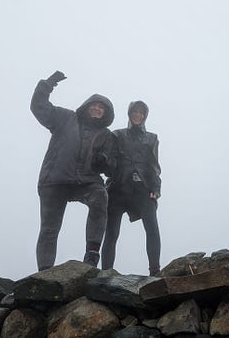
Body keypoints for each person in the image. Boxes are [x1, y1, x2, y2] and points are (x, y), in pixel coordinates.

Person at [31, 70, 116, 271]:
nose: (97, 108)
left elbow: (112, 166)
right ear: (86, 107)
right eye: (94, 105)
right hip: (55, 180)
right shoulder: (65, 118)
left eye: (101, 107)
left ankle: (91, 256)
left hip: (86, 182)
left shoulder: (106, 135)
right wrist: (48, 84)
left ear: (106, 113)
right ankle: (44, 273)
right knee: (49, 229)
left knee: (100, 197)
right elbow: (39, 107)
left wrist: (104, 161)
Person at [101, 100, 162, 276]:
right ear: (129, 114)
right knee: (111, 232)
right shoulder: (117, 135)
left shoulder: (152, 138)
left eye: (141, 112)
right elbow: (110, 160)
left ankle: (155, 271)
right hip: (117, 189)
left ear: (145, 116)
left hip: (143, 189)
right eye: (135, 111)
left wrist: (156, 188)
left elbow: (154, 166)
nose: (138, 115)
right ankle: (106, 272)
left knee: (152, 227)